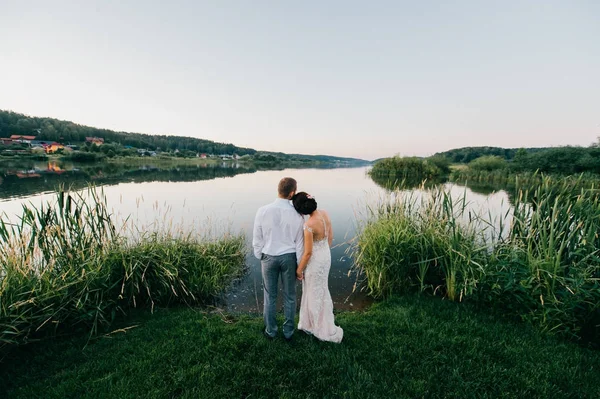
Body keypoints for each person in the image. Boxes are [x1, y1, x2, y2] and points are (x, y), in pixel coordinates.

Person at [252, 177, 304, 341]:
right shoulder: (298, 215)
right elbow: (300, 244)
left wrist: (259, 255)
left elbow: (257, 237)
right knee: (289, 296)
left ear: (278, 190)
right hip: (289, 258)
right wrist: (299, 266)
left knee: (270, 296)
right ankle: (288, 332)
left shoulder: (262, 210)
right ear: (292, 193)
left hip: (268, 257)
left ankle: (271, 331)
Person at [292, 192, 343, 343]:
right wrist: (323, 252)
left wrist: (299, 270)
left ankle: (316, 326)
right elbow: (330, 237)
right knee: (321, 289)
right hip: (326, 256)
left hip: (315, 261)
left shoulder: (308, 226)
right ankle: (316, 322)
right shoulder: (325, 213)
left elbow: (307, 253)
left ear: (301, 211)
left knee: (313, 291)